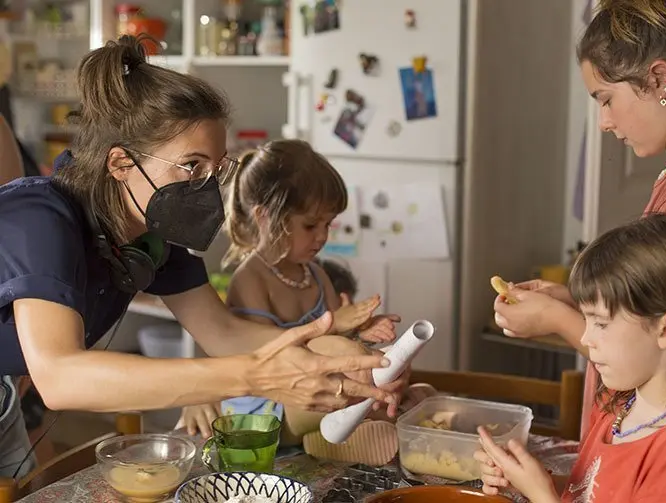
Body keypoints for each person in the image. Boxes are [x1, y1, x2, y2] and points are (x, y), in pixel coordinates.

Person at [0, 36, 404, 478]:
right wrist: (255, 377)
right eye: (191, 166)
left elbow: (225, 331)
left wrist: (337, 363)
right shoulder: (38, 220)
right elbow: (61, 378)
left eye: (216, 169)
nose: (207, 188)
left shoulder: (152, 241)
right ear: (120, 164)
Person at [492, 0, 666, 497]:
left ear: (658, 80)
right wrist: (576, 301)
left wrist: (556, 321)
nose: (604, 122)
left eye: (606, 98)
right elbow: (655, 304)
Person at [177, 140, 431, 466]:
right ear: (265, 217)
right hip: (267, 411)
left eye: (328, 224)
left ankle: (355, 429)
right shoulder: (251, 279)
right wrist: (339, 327)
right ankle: (353, 433)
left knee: (389, 365)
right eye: (311, 225)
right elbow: (271, 359)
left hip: (311, 399)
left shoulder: (314, 274)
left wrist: (362, 333)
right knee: (349, 358)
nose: (322, 236)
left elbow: (332, 347)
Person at [477, 214, 666, 502]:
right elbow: (592, 491)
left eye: (601, 323)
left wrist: (543, 496)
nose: (584, 338)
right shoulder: (621, 402)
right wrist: (529, 482)